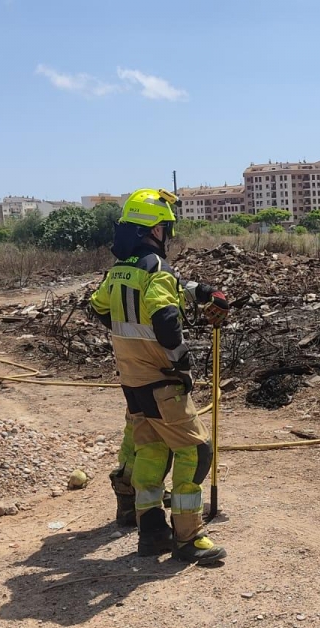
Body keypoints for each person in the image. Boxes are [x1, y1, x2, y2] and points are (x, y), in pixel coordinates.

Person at [90, 188, 230, 564]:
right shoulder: (157, 270)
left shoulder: (120, 270)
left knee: (151, 452)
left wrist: (196, 292)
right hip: (161, 379)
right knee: (196, 451)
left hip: (132, 380)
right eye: (165, 228)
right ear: (153, 230)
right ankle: (188, 538)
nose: (167, 234)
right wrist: (180, 361)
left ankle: (151, 533)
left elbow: (101, 307)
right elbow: (165, 319)